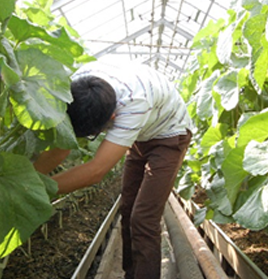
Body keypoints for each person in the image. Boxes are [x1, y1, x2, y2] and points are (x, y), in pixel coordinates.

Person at [34, 60, 192, 279]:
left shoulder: (134, 104)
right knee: (127, 208)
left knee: (144, 218)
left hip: (169, 136)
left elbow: (96, 171)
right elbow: (62, 148)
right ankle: (131, 274)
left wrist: (34, 191)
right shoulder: (76, 88)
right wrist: (27, 178)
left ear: (112, 118)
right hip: (140, 134)